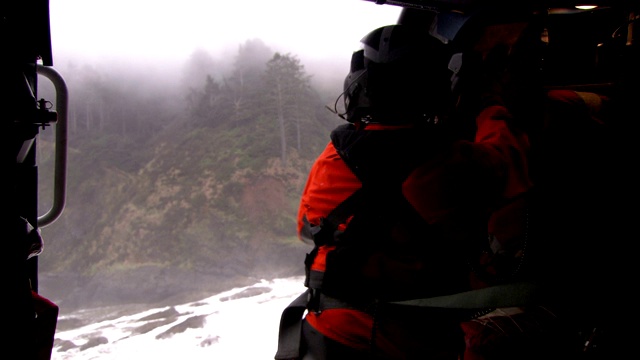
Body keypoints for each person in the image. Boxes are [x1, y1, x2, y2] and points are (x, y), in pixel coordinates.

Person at [275, 23, 568, 360]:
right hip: (407, 337)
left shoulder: (332, 157)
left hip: (326, 333)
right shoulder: (448, 162)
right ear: (434, 89)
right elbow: (509, 162)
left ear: (357, 90)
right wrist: (490, 105)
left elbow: (306, 228)